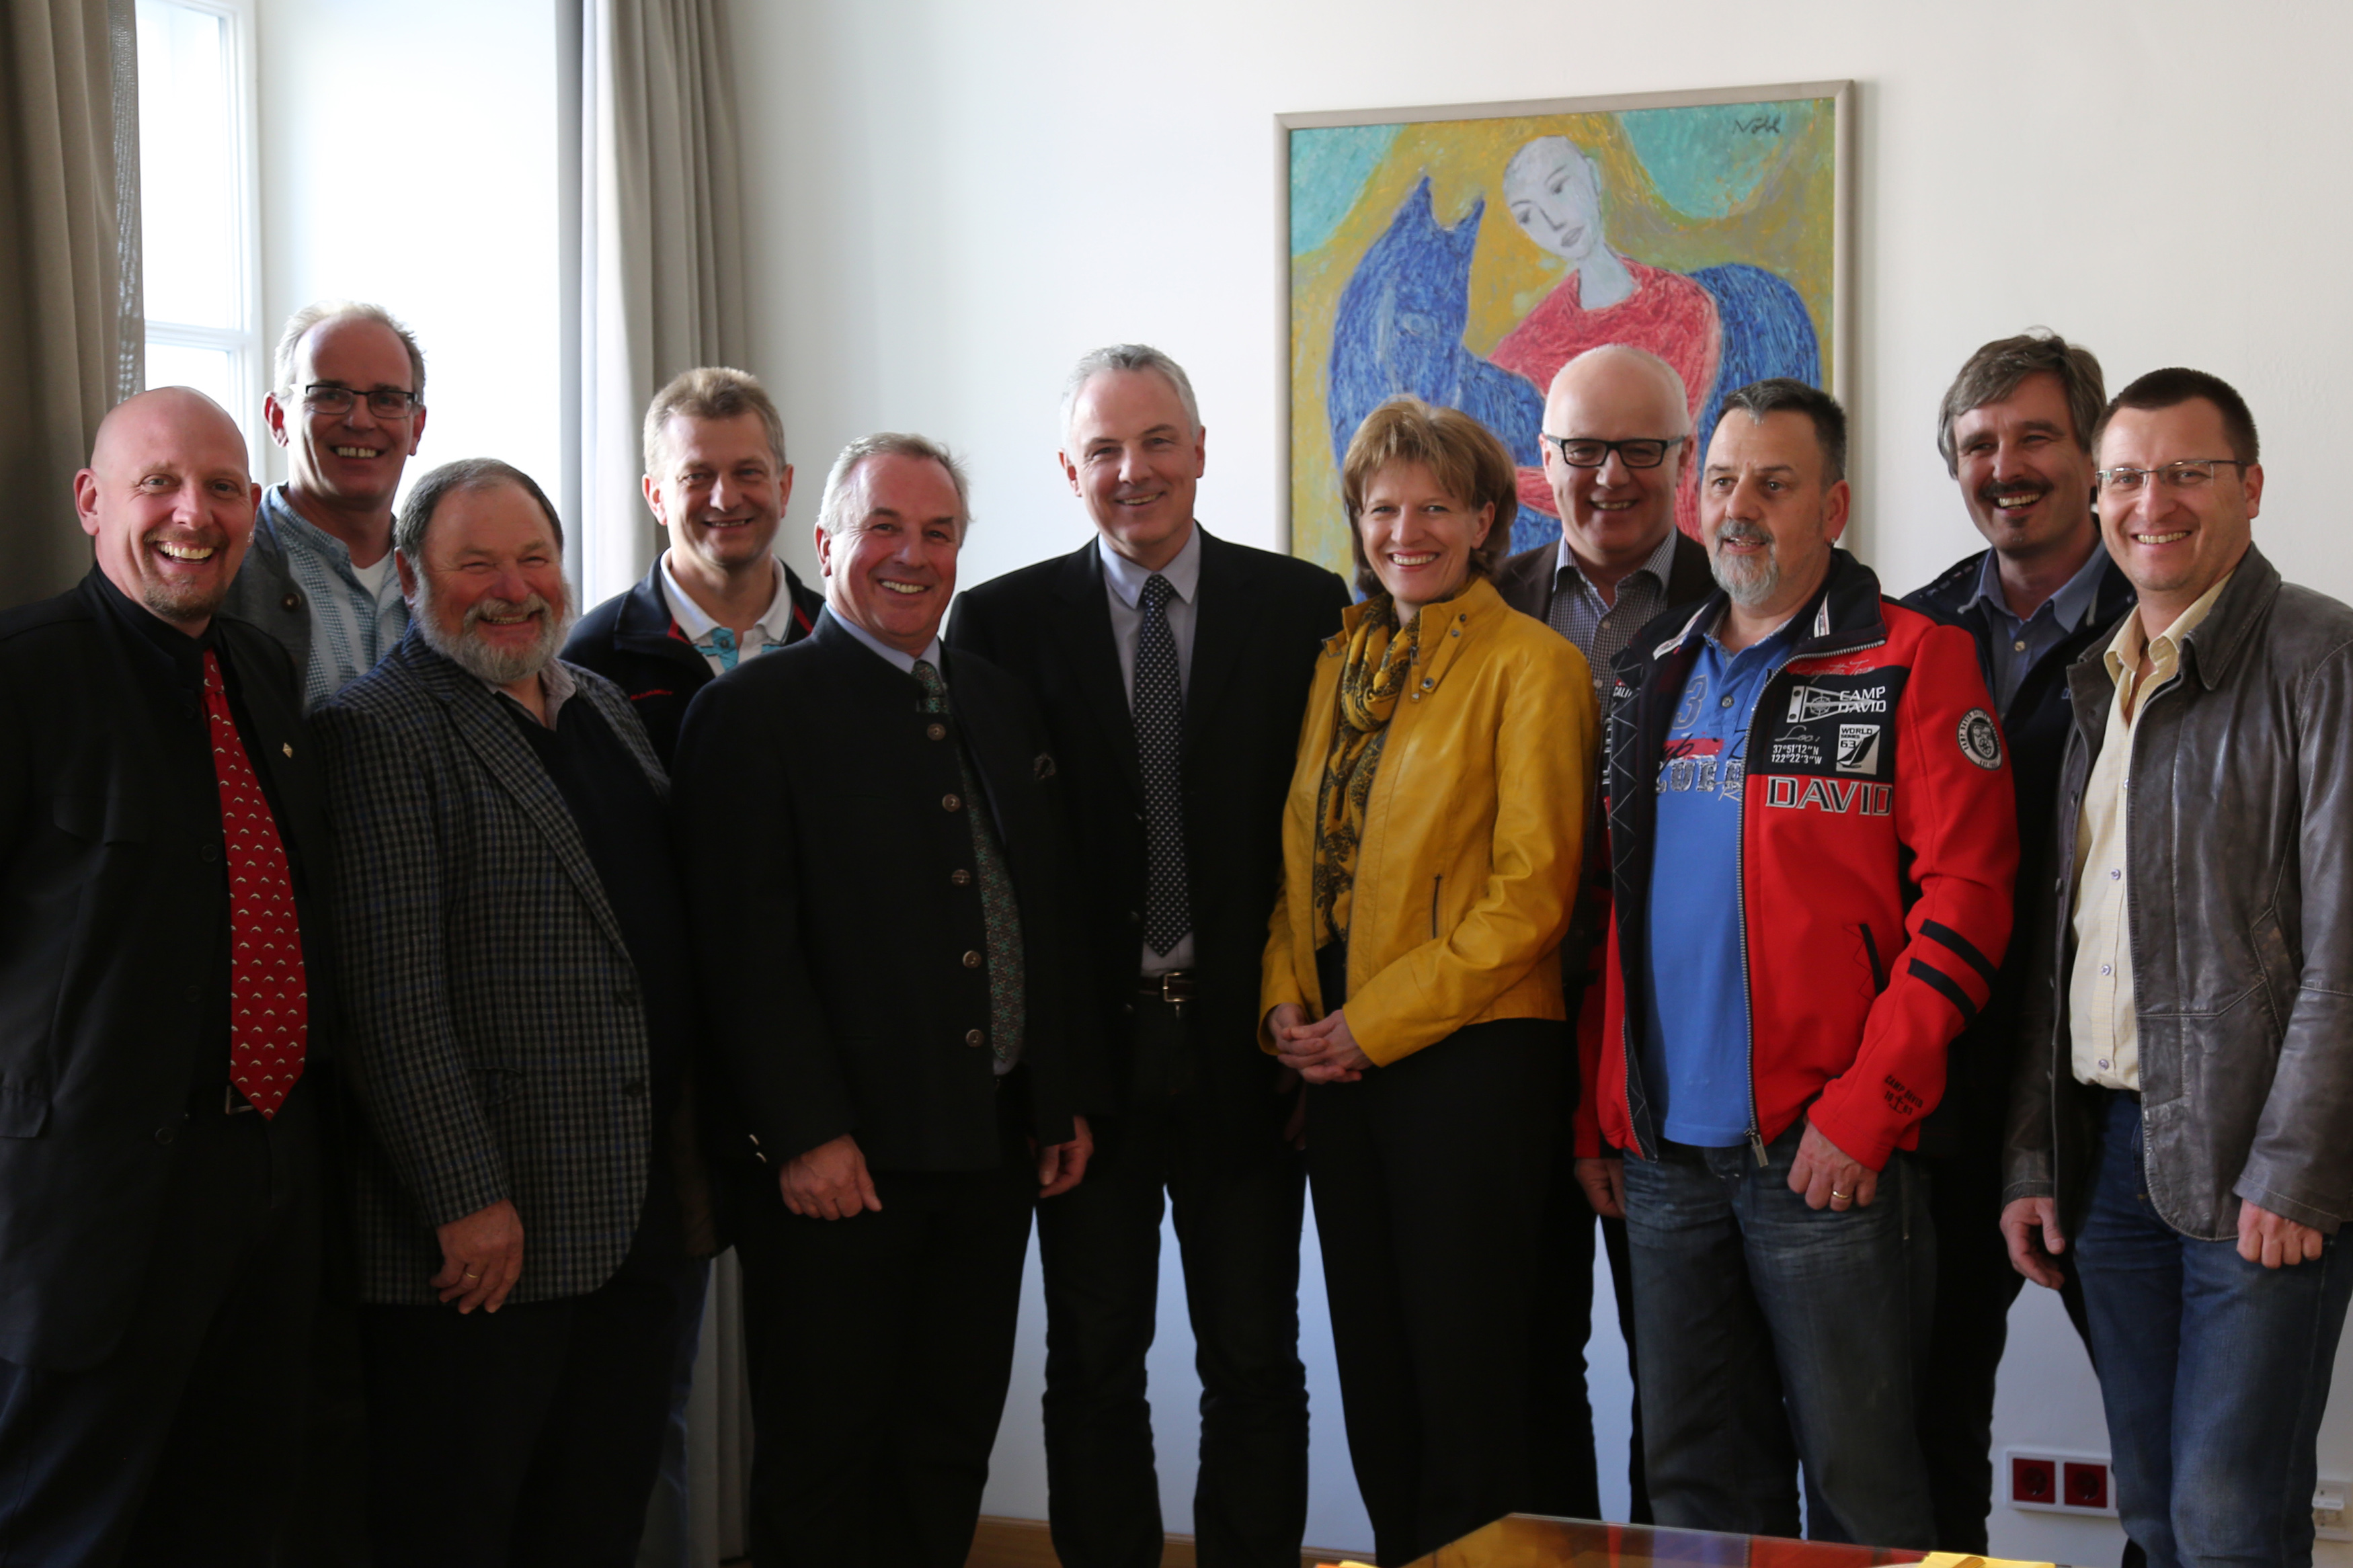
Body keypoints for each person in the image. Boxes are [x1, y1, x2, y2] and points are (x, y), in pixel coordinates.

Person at [1589, 378, 2015, 1547]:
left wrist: (1867, 1111)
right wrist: (1603, 1107)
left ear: (1832, 505)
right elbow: (1613, 915)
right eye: (1721, 481)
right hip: (1666, 1163)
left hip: (1828, 1162)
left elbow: (1969, 906)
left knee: (1862, 1493)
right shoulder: (1653, 670)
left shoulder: (1914, 660)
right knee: (1693, 1485)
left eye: (1773, 484)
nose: (1740, 507)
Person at [945, 345, 1348, 1568]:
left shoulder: (1304, 606)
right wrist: (1040, 1073)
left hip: (1245, 1044)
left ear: (1202, 447)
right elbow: (998, 869)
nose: (1136, 471)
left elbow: (1328, 845)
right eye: (1106, 450)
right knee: (1094, 1361)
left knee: (1255, 1359)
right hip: (1087, 1062)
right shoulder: (1001, 624)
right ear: (1071, 470)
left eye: (1158, 440)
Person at [672, 433, 1095, 1567]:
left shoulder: (1000, 702)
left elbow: (1036, 909)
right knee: (825, 1457)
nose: (912, 554)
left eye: (939, 531)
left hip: (990, 1146)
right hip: (835, 1170)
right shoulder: (753, 714)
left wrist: (1054, 1098)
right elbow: (739, 951)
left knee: (945, 1444)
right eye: (884, 529)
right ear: (827, 542)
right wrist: (805, 1131)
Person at [313, 458, 711, 1567]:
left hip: (633, 1214)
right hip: (486, 1235)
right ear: (408, 574)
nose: (513, 585)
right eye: (474, 561)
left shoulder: (595, 707)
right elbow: (387, 997)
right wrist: (464, 1195)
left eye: (534, 556)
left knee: (597, 1513)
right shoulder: (380, 729)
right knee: (461, 1522)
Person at [2003, 368, 2353, 1568]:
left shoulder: (2323, 656)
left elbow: (2346, 937)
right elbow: (2067, 941)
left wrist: (2301, 1169)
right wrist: (2036, 1153)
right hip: (2107, 1165)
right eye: (2128, 476)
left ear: (2251, 488)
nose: (2153, 500)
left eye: (2187, 472)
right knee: (2151, 1513)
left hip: (2256, 1170)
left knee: (2230, 1520)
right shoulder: (2101, 676)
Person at [0, 387, 334, 1563]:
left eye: (225, 487)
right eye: (159, 483)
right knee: (69, 1529)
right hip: (87, 1214)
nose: (194, 514)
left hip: (269, 1186)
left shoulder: (263, 671)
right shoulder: (24, 673)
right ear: (93, 502)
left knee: (240, 1516)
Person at [1262, 396, 1592, 1567]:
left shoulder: (1536, 666)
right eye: (1383, 506)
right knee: (1381, 1373)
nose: (1407, 529)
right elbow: (1304, 855)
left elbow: (1530, 898)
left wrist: (1371, 1026)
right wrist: (1287, 1001)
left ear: (1487, 519)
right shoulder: (1342, 662)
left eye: (1436, 506)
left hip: (1475, 1064)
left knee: (1475, 1382)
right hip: (1348, 1066)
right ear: (1356, 520)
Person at [1900, 331, 2134, 1553]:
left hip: (2107, 1093)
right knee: (1928, 1426)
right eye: (1980, 444)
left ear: (2092, 455)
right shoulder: (1908, 633)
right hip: (1945, 1089)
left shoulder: (2164, 624)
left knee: (2162, 1439)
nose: (2007, 465)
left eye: (2036, 436)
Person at [1493, 343, 1714, 1524]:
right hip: (1514, 1028)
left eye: (1643, 449)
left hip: (1678, 1044)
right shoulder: (1489, 600)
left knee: (1684, 1376)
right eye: (1585, 449)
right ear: (1545, 462)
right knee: (1531, 1357)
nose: (1612, 475)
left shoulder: (1743, 605)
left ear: (1684, 460)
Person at [565, 365, 822, 764]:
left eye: (748, 472)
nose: (726, 498)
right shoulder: (588, 660)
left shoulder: (840, 642)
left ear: (783, 488)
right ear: (656, 498)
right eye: (697, 476)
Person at [223, 300, 429, 710]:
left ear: (416, 428)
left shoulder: (445, 574)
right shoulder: (222, 571)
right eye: (330, 394)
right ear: (278, 419)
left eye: (387, 400)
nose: (361, 421)